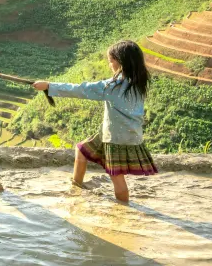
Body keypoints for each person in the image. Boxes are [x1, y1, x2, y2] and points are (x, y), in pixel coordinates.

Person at [32, 40, 156, 204]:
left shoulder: (112, 87)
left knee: (116, 177)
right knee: (82, 150)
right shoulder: (139, 82)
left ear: (121, 62)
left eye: (111, 60)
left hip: (115, 138)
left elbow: (80, 89)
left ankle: (124, 209)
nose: (109, 64)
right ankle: (76, 187)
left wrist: (49, 86)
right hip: (125, 132)